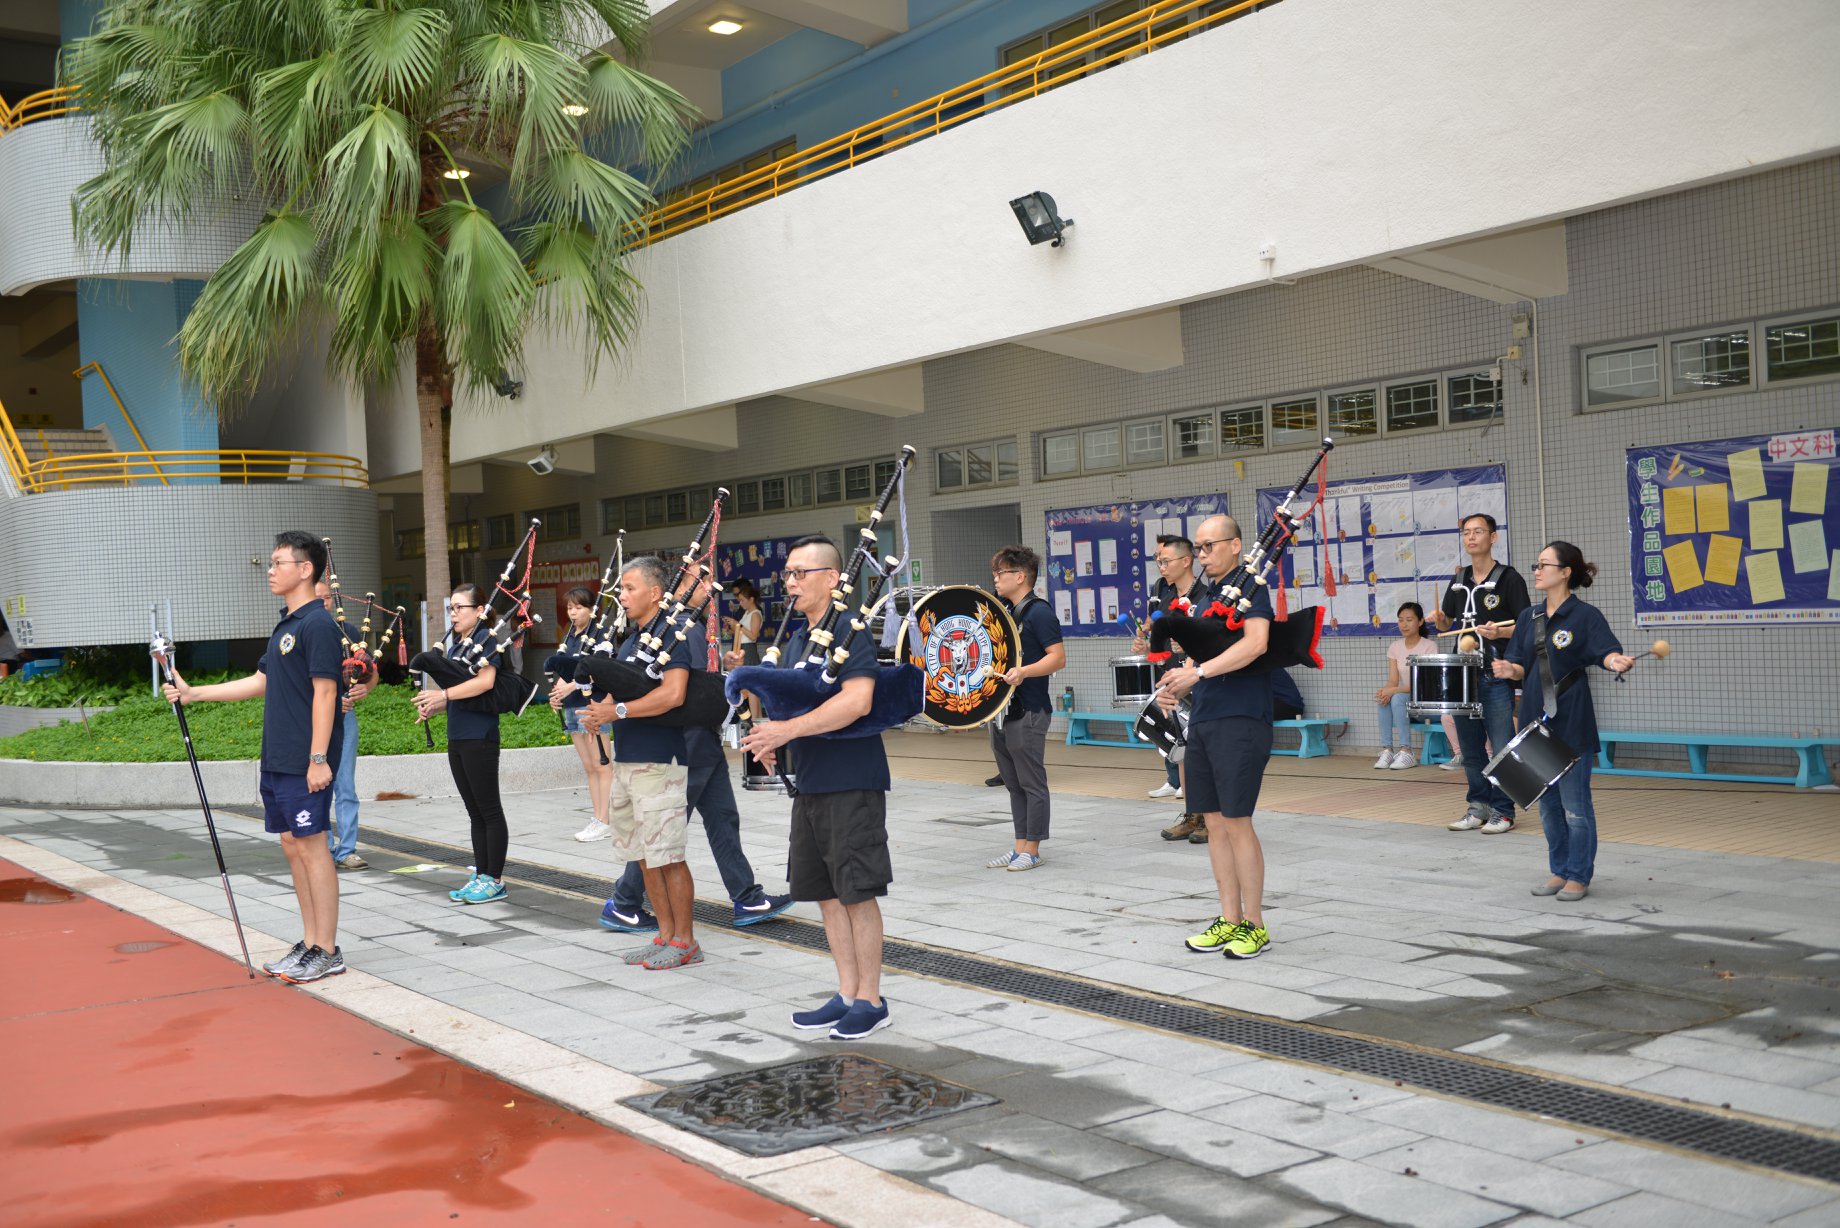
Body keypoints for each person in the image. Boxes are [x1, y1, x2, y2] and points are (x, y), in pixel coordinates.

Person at [162, 532, 347, 983]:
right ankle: (309, 942)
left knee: (313, 847)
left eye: (279, 562)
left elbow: (326, 693)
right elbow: (261, 680)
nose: (270, 569)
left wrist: (319, 757)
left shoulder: (318, 625)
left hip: (307, 759)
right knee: (292, 847)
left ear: (305, 569)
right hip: (279, 757)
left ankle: (327, 948)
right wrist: (195, 694)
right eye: (271, 562)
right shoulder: (287, 624)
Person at [741, 535, 894, 1040]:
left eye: (800, 573)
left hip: (851, 781)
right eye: (787, 574)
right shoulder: (801, 639)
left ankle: (871, 1000)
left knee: (856, 893)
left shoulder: (852, 633)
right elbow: (796, 708)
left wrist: (785, 731)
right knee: (826, 895)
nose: (790, 582)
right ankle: (847, 992)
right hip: (810, 782)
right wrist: (774, 742)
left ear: (833, 578)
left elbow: (858, 702)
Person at [603, 561, 793, 933]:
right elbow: (676, 691)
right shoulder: (678, 626)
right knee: (661, 834)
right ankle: (625, 901)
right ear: (677, 584)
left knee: (722, 820)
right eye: (701, 578)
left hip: (701, 742)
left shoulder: (678, 626)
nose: (711, 585)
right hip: (685, 745)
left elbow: (694, 681)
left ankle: (748, 897)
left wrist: (726, 669)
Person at [1156, 514, 1274, 961]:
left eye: (1209, 546)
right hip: (1205, 716)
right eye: (1199, 548)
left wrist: (1199, 671)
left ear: (1236, 545)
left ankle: (1255, 924)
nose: (1203, 555)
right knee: (1215, 822)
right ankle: (1228, 917)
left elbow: (1255, 644)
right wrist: (1173, 686)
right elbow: (1199, 660)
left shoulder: (1252, 591)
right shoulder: (1206, 600)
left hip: (1241, 717)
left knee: (1238, 821)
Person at [1493, 542, 1633, 902]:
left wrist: (1614, 660)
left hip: (1572, 719)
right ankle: (1558, 870)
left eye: (1543, 565)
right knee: (1548, 806)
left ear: (1565, 572)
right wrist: (1510, 669)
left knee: (1575, 806)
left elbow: (1605, 651)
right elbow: (1522, 664)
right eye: (1535, 564)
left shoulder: (1585, 616)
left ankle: (1579, 875)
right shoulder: (1529, 617)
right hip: (1534, 722)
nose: (1536, 571)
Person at [582, 556, 702, 970]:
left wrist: (620, 713)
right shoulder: (633, 640)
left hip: (660, 761)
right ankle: (666, 934)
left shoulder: (674, 634)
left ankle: (686, 940)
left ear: (655, 592)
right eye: (621, 588)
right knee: (644, 854)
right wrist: (603, 710)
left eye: (630, 588)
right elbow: (624, 695)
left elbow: (674, 695)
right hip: (629, 760)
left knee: (667, 853)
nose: (622, 595)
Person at [413, 584, 512, 906]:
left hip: (480, 734)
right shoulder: (457, 644)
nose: (453, 614)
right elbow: (462, 691)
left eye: (460, 608)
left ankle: (495, 879)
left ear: (480, 610)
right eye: (451, 608)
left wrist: (441, 695)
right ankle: (481, 874)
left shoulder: (489, 639)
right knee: (474, 811)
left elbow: (485, 683)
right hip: (458, 733)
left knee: (489, 809)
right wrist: (436, 706)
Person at [1433, 512, 1530, 834]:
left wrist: (1499, 635)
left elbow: (1525, 625)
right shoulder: (1458, 581)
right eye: (1466, 533)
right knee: (1471, 749)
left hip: (1496, 673)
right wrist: (1441, 621)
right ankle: (1478, 806)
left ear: (1493, 537)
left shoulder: (1509, 578)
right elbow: (1448, 623)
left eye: (1478, 531)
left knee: (1502, 744)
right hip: (1463, 675)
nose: (1471, 537)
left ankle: (1504, 809)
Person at [985, 545, 1066, 872]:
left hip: (1029, 709)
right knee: (1013, 782)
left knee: (1032, 781)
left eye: (1001, 572)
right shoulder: (1004, 611)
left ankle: (1032, 849)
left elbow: (1057, 657)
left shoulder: (1039, 612)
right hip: (1002, 709)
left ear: (1020, 576)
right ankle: (1020, 845)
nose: (996, 578)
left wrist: (1024, 671)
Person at [1137, 534, 1214, 840]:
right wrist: (1145, 639)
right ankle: (1192, 813)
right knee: (1181, 747)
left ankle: (1210, 816)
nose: (1161, 566)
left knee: (1203, 748)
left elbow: (1212, 640)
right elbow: (1153, 630)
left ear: (1186, 561)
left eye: (1166, 560)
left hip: (1198, 678)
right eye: (1158, 560)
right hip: (1171, 676)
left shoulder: (1205, 596)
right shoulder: (1161, 592)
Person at [315, 580, 374, 870]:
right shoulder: (304, 631)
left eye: (328, 598)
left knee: (345, 784)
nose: (325, 603)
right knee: (318, 783)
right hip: (312, 719)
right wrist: (328, 701)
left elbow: (371, 672)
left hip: (345, 720)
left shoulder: (349, 632)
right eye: (320, 598)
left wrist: (366, 688)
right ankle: (322, 848)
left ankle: (347, 849)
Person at [550, 586, 614, 843]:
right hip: (571, 705)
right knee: (589, 767)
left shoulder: (599, 634)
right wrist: (557, 692)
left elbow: (600, 670)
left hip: (593, 705)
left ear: (591, 609)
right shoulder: (569, 637)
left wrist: (570, 686)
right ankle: (597, 818)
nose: (573, 612)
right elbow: (565, 671)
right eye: (570, 608)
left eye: (578, 607)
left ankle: (604, 819)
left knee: (602, 764)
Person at [1374, 601, 1428, 769]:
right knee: (1385, 697)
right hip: (1405, 699)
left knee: (1396, 697)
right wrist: (1386, 691)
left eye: (1409, 620)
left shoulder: (1429, 646)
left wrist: (1393, 691)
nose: (1404, 624)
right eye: (1400, 620)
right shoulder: (1395, 647)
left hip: (1424, 702)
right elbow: (1393, 680)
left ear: (1420, 622)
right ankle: (1387, 750)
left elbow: (1421, 684)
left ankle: (1407, 751)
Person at [723, 578, 765, 665]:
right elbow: (743, 633)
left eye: (742, 600)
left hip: (748, 649)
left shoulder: (755, 614)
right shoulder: (746, 612)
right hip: (739, 646)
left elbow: (754, 636)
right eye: (740, 600)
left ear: (751, 599)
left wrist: (737, 624)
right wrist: (731, 628)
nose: (740, 603)